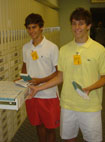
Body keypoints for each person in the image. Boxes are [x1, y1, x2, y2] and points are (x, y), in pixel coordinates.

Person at [28, 8, 105, 142]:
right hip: (67, 105)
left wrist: (90, 88)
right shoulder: (64, 50)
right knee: (68, 139)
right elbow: (60, 77)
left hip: (89, 106)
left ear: (88, 26)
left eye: (81, 23)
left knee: (93, 140)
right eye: (74, 23)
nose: (76, 27)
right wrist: (38, 88)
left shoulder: (99, 50)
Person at [22, 13, 60, 142]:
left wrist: (40, 81)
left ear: (41, 27)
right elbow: (24, 67)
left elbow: (58, 73)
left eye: (34, 27)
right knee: (38, 126)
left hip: (48, 95)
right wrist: (22, 79)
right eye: (29, 28)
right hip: (32, 94)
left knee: (50, 128)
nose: (31, 31)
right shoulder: (26, 47)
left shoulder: (52, 47)